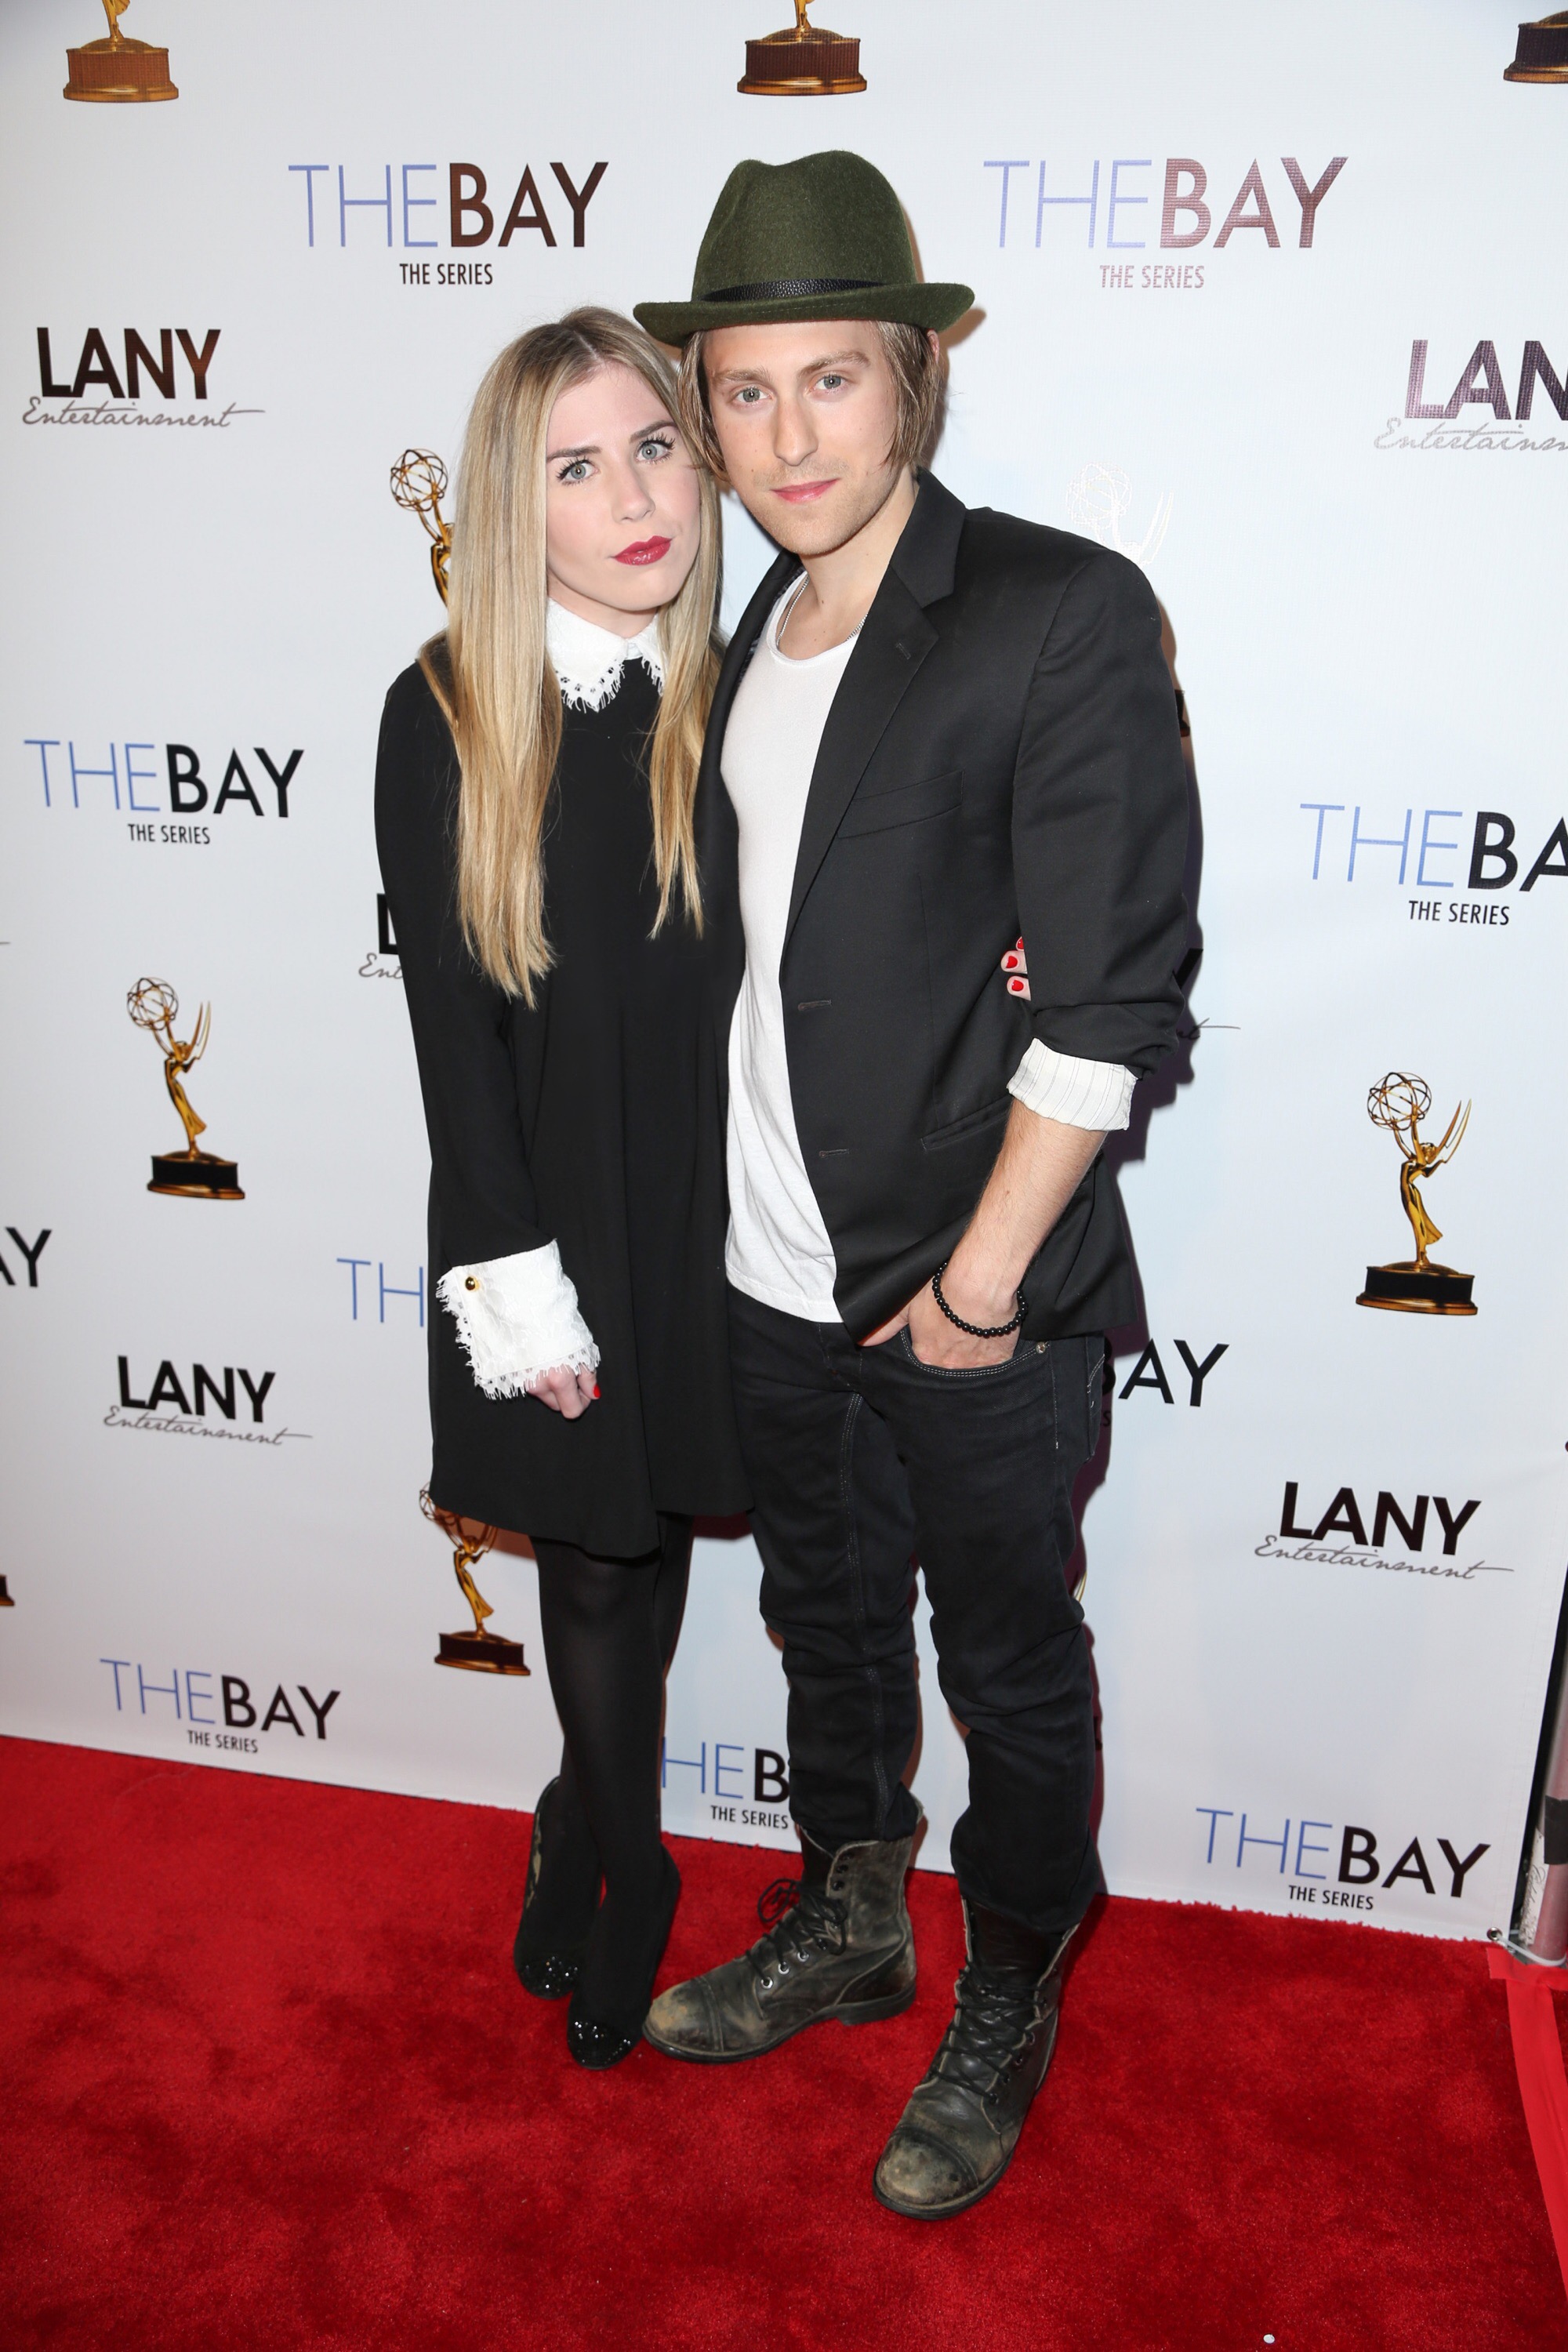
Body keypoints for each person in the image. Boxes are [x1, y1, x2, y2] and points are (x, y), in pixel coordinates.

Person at [633, 152, 1189, 2215]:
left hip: (979, 1291)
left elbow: (1109, 1003)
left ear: (918, 382)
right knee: (826, 1632)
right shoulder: (732, 638)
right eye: (746, 393)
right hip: (770, 1284)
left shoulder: (1050, 612)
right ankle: (853, 1919)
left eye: (832, 383)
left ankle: (1017, 1979)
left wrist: (977, 1289)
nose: (785, 438)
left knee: (1013, 1657)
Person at [374, 308, 749, 2070]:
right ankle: (632, 1864)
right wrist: (522, 1295)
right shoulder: (447, 704)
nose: (634, 496)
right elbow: (454, 1041)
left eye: (655, 446)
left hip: (714, 1200)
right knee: (596, 1562)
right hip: (543, 1206)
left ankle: (570, 1812)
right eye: (576, 468)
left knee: (653, 1527)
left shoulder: (736, 685)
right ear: (514, 508)